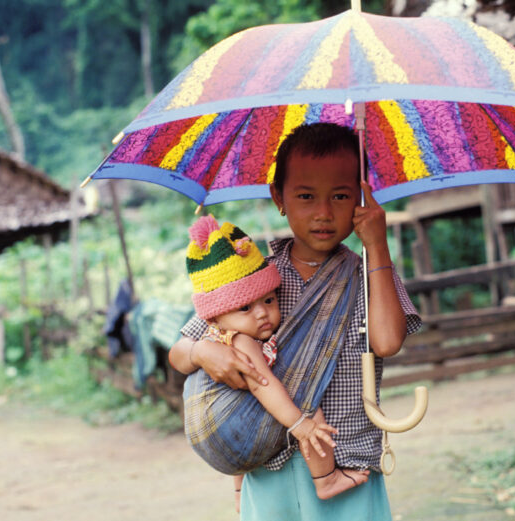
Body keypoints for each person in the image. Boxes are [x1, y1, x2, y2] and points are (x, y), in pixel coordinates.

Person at [170, 122, 421, 521]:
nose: (323, 213)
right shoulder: (253, 277)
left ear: (361, 198)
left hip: (346, 465)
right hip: (269, 465)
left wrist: (377, 244)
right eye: (306, 196)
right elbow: (179, 352)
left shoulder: (370, 275)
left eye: (341, 196)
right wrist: (203, 352)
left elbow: (388, 342)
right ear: (279, 197)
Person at [181, 214, 369, 505]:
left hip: (221, 441)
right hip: (230, 429)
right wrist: (300, 425)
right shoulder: (241, 341)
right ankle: (326, 479)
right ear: (215, 316)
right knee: (308, 399)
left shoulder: (222, 335)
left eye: (269, 300)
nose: (262, 313)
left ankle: (239, 492)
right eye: (245, 308)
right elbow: (263, 385)